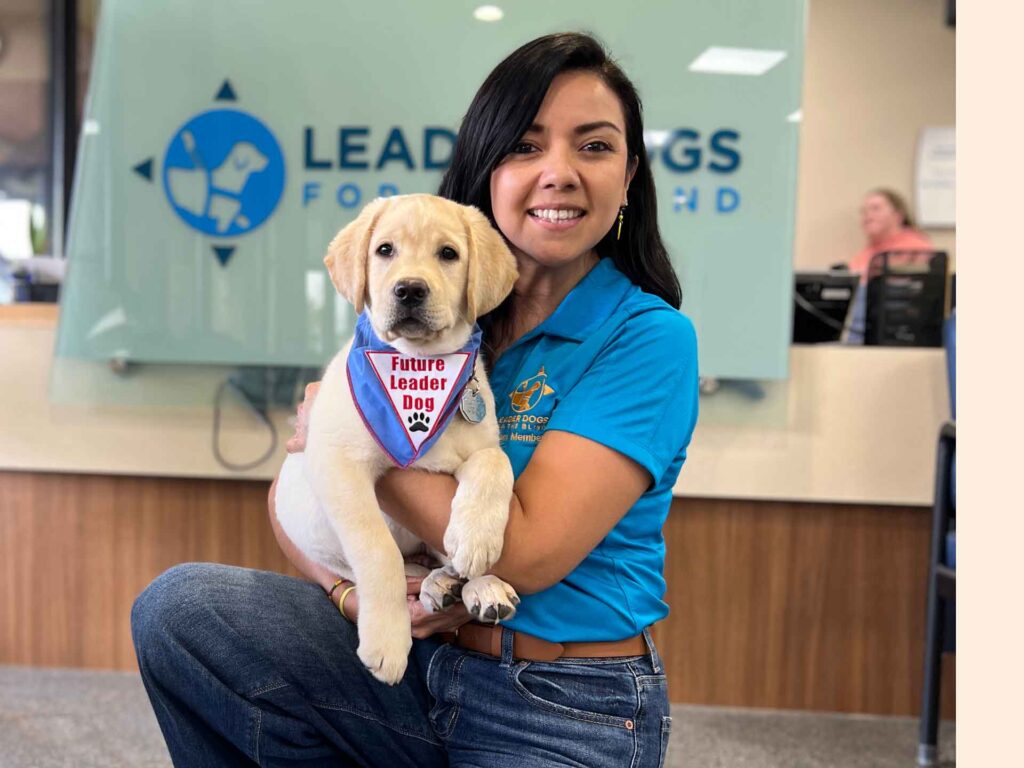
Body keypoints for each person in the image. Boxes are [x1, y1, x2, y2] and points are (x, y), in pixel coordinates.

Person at [131, 32, 698, 767]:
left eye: (593, 147)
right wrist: (354, 597)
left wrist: (353, 440)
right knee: (183, 611)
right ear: (487, 171)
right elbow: (296, 505)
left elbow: (518, 555)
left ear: (628, 178)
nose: (558, 173)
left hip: (565, 702)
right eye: (526, 147)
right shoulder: (441, 323)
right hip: (417, 667)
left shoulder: (648, 337)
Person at [849, 188, 932, 277]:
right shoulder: (865, 254)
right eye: (864, 212)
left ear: (898, 215)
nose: (868, 216)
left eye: (876, 209)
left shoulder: (916, 249)